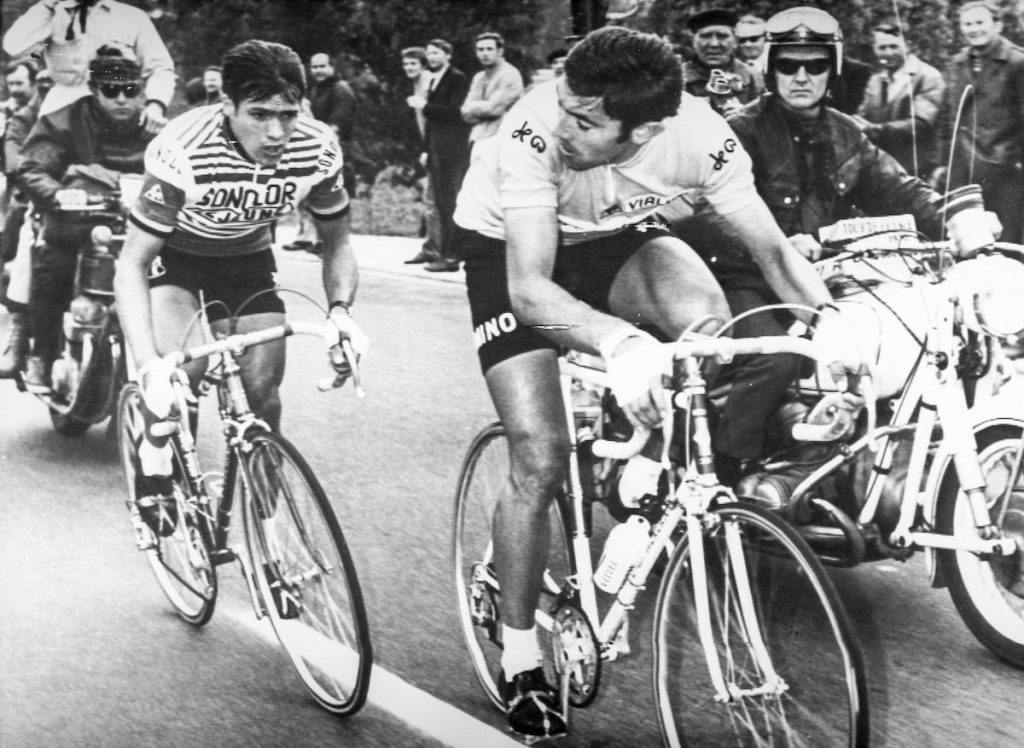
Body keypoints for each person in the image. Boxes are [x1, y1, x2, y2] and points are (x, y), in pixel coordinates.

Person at [452, 25, 860, 742]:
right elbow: (530, 288)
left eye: (587, 120)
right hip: (513, 255)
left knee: (709, 325)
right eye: (566, 107)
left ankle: (642, 466)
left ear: (648, 128)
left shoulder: (700, 137)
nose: (566, 124)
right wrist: (622, 342)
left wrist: (832, 322)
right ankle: (520, 656)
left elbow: (771, 252)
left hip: (612, 237)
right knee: (540, 456)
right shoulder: (532, 131)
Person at [678, 6, 966, 486]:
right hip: (744, 275)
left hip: (816, 280)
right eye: (789, 64)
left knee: (890, 334)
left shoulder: (846, 132)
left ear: (831, 69)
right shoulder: (739, 129)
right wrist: (773, 241)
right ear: (771, 69)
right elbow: (707, 209)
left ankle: (843, 455)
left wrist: (957, 218)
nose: (801, 75)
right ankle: (721, 477)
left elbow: (901, 189)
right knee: (776, 355)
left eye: (814, 64)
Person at [114, 39, 366, 535]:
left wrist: (341, 313)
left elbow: (337, 245)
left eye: (288, 114)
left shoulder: (317, 148)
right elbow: (131, 265)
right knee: (182, 373)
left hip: (245, 258)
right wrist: (147, 366)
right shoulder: (181, 147)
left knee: (262, 392)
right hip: (176, 257)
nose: (276, 132)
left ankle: (269, 539)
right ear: (226, 105)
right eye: (259, 114)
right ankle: (155, 450)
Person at [16, 46, 155, 391]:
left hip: (142, 223)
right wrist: (58, 193)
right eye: (111, 90)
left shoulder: (157, 130)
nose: (122, 99)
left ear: (142, 91)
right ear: (94, 91)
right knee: (55, 265)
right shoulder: (63, 120)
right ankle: (43, 356)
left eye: (130, 90)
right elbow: (33, 166)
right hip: (79, 220)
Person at [3, 0, 175, 134]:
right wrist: (48, 4)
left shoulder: (132, 17)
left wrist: (156, 105)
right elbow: (14, 46)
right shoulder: (51, 15)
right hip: (63, 108)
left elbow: (160, 67)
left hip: (116, 104)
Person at [934, 0, 1024, 243]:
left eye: (980, 22)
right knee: (968, 240)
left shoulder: (1016, 62)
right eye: (967, 24)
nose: (974, 29)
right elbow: (947, 117)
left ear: (998, 25)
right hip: (964, 172)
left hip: (1006, 172)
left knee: (1008, 241)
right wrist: (944, 163)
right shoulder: (958, 63)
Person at [0, 63, 50, 378]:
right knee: (28, 242)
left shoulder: (95, 107)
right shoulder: (26, 117)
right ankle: (18, 333)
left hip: (99, 201)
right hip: (43, 197)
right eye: (44, 84)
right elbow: (15, 156)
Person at [283, 52, 358, 253]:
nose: (318, 71)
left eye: (322, 66)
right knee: (308, 192)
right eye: (315, 67)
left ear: (332, 67)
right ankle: (307, 237)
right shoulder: (316, 90)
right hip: (315, 146)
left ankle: (329, 241)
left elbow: (338, 123)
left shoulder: (341, 90)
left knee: (330, 194)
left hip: (335, 147)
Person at [853, 22, 945, 178]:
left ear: (907, 46)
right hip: (881, 170)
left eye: (894, 46)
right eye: (882, 48)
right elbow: (862, 116)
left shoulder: (927, 76)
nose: (888, 53)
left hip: (917, 169)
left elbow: (921, 125)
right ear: (874, 49)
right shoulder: (875, 80)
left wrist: (875, 130)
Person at [416, 38, 470, 273]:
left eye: (436, 53)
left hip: (452, 151)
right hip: (437, 150)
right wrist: (427, 149)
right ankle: (443, 253)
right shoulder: (433, 80)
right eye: (428, 53)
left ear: (447, 55)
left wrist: (424, 106)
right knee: (440, 203)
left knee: (449, 203)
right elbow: (431, 124)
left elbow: (457, 113)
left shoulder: (457, 78)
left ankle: (451, 256)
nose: (431, 57)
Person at [400, 46, 442, 266]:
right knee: (429, 198)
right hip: (425, 144)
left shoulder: (427, 81)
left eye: (413, 63)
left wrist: (427, 148)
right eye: (406, 64)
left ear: (423, 65)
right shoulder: (417, 83)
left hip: (435, 144)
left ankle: (436, 248)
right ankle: (431, 246)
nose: (408, 68)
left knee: (433, 199)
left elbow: (431, 117)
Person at [682, 7, 763, 117]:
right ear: (693, 42)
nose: (714, 44)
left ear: (735, 41)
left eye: (722, 36)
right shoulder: (678, 78)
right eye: (705, 36)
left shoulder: (752, 77)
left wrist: (747, 115)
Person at [460, 32, 524, 149]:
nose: (484, 53)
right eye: (480, 49)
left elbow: (493, 109)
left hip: (505, 138)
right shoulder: (479, 77)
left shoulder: (509, 74)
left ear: (500, 51)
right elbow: (464, 111)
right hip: (479, 137)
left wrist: (473, 107)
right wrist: (480, 108)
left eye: (489, 49)